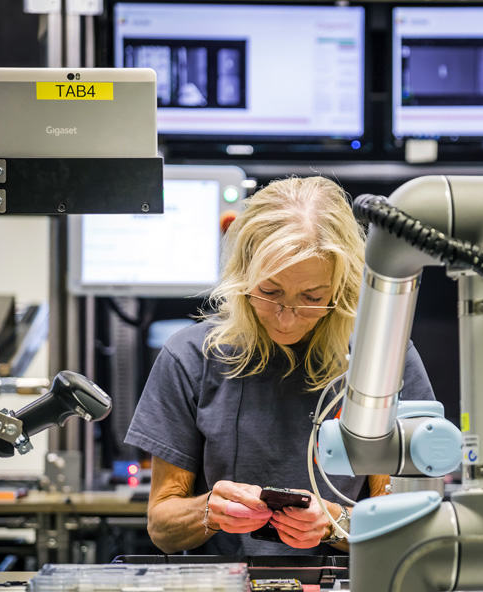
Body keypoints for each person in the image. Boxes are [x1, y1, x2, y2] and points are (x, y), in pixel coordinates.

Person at [125, 176, 435, 556]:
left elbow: (412, 525)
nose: (286, 318)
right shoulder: (191, 358)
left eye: (312, 297)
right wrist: (210, 510)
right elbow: (163, 526)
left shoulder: (383, 358)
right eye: (269, 293)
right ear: (242, 277)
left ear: (341, 289)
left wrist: (334, 523)